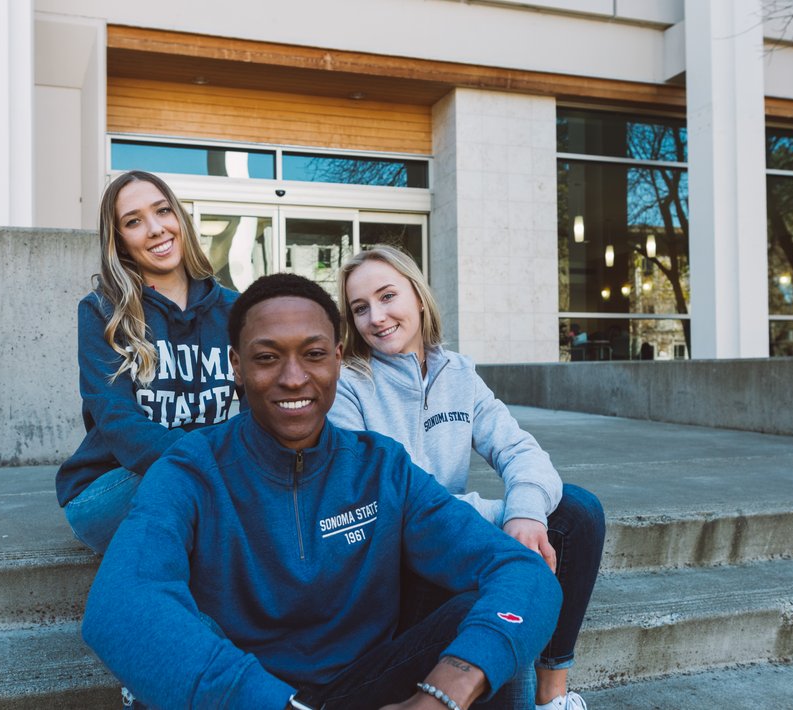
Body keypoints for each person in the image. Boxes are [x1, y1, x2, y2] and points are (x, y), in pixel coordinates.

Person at [82, 273, 563, 710]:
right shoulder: (191, 469)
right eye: (268, 357)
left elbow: (521, 571)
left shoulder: (380, 466)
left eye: (313, 354)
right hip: (250, 694)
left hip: (367, 684)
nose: (294, 378)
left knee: (488, 633)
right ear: (236, 365)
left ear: (337, 358)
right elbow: (119, 604)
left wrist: (447, 689)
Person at [328, 246, 605, 710]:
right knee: (507, 574)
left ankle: (552, 695)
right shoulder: (348, 385)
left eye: (387, 296)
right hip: (400, 562)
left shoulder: (457, 371)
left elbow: (518, 449)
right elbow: (394, 504)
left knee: (577, 511)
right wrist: (501, 517)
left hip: (456, 536)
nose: (376, 317)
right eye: (360, 308)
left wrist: (525, 511)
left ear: (418, 296)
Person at [56, 170, 239, 554]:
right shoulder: (102, 312)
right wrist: (211, 460)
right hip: (115, 484)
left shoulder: (236, 310)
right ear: (120, 241)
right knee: (208, 494)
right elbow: (116, 418)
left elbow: (260, 408)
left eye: (162, 211)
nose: (156, 229)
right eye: (134, 221)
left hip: (207, 474)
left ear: (180, 220)